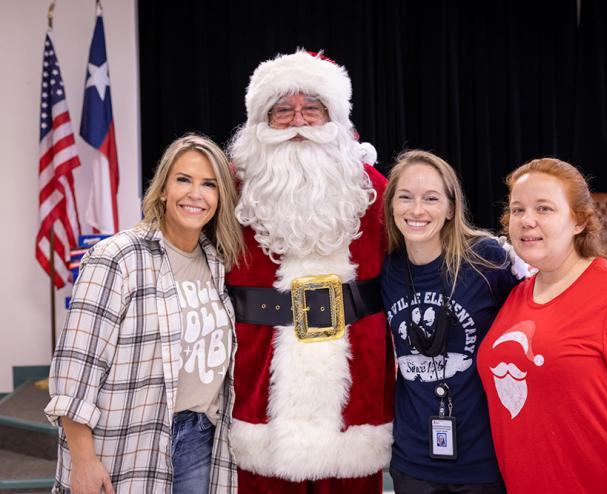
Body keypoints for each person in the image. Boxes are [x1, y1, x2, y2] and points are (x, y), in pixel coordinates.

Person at [226, 50, 395, 493]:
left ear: (334, 117)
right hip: (259, 368)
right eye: (282, 110)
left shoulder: (374, 190)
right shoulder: (229, 191)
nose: (298, 120)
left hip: (355, 370)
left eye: (312, 108)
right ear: (260, 121)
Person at [45, 134, 244, 494]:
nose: (195, 194)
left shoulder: (217, 263)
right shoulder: (117, 258)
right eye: (184, 179)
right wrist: (84, 460)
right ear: (164, 189)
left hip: (202, 440)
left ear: (220, 197)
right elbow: (75, 370)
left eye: (209, 184)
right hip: (128, 442)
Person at [477, 158, 607, 493]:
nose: (527, 220)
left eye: (544, 208)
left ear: (578, 221)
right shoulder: (515, 298)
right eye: (517, 210)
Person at [380, 150, 523, 494]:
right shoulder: (386, 269)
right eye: (405, 197)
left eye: (431, 198)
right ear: (391, 206)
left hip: (483, 459)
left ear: (450, 208)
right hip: (414, 461)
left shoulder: (487, 259)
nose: (417, 210)